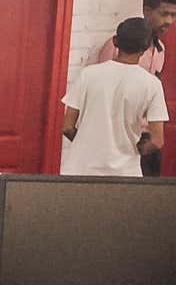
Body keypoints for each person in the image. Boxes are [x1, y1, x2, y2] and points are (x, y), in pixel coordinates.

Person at [63, 17, 168, 177]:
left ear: (115, 41)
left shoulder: (88, 74)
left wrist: (86, 144)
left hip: (80, 167)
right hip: (125, 172)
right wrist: (134, 150)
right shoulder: (151, 84)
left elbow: (67, 127)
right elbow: (157, 141)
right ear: (146, 47)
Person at [92, 0, 176, 175]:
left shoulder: (161, 49)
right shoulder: (116, 48)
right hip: (119, 138)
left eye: (173, 15)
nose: (169, 21)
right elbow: (104, 96)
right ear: (147, 10)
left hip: (147, 138)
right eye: (164, 14)